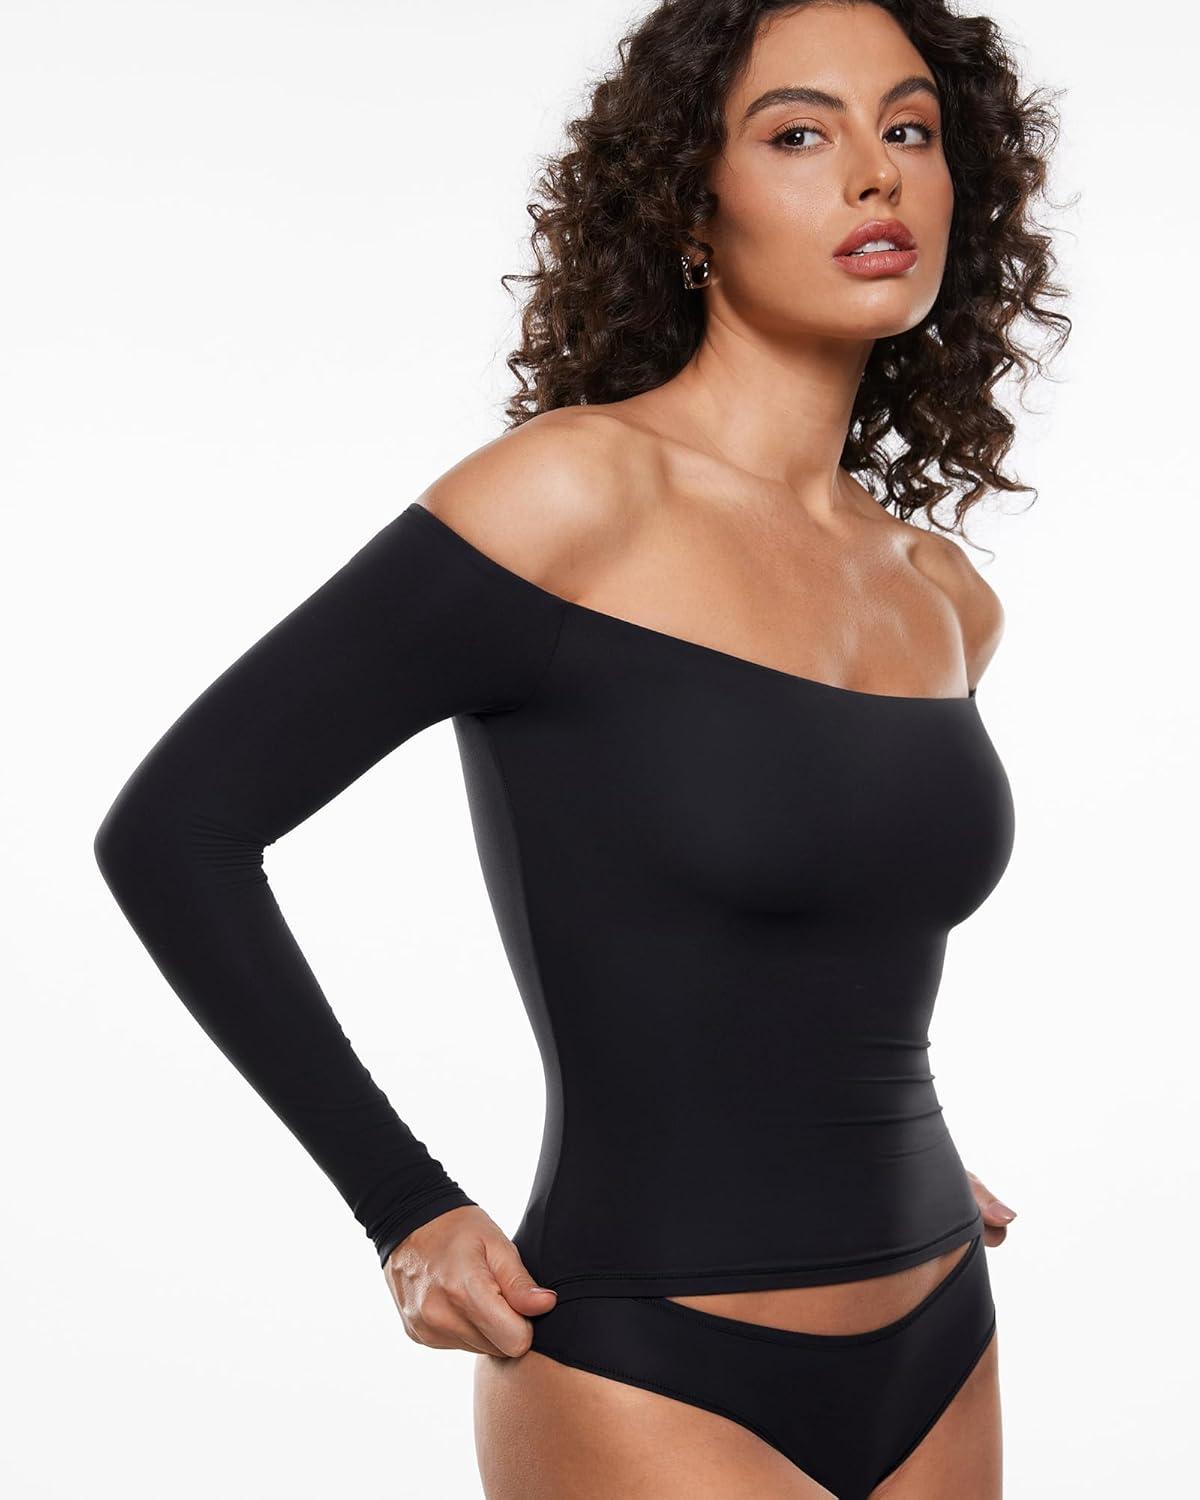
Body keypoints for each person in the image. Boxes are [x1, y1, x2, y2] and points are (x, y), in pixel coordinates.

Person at [93, 1, 1068, 1495]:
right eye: (798, 133)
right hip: (649, 1360)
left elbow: (817, 932)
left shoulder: (940, 595)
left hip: (941, 1324)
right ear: (689, 206)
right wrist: (403, 1205)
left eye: (911, 128)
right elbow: (177, 833)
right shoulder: (570, 501)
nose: (876, 173)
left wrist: (870, 1155)